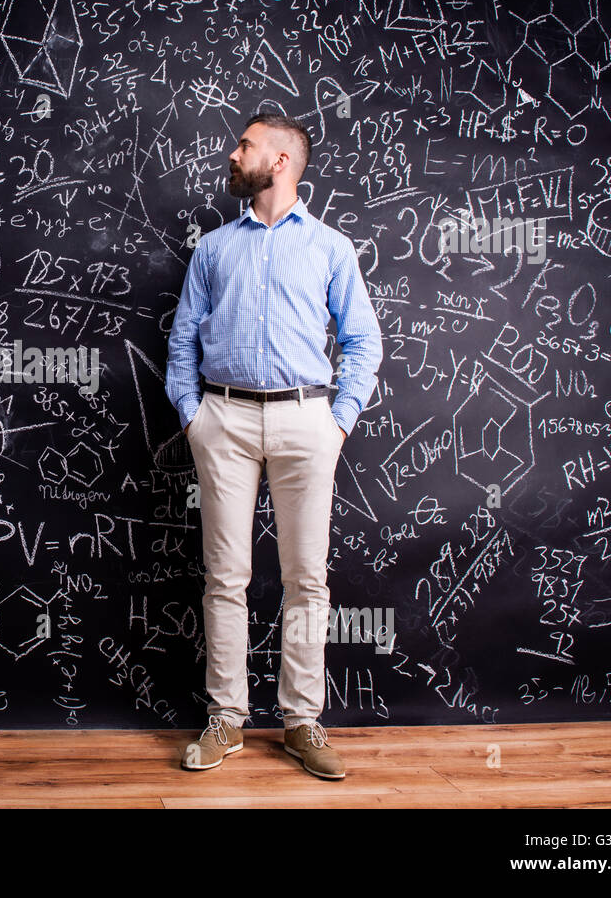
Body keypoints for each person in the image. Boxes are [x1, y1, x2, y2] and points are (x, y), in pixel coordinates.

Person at [165, 112, 382, 779]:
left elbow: (362, 343)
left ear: (281, 161)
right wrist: (191, 416)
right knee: (226, 578)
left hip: (305, 422)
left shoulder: (329, 248)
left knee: (305, 579)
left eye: (246, 146)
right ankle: (226, 721)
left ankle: (301, 723)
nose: (234, 154)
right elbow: (182, 342)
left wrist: (337, 421)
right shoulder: (214, 249)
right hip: (223, 422)